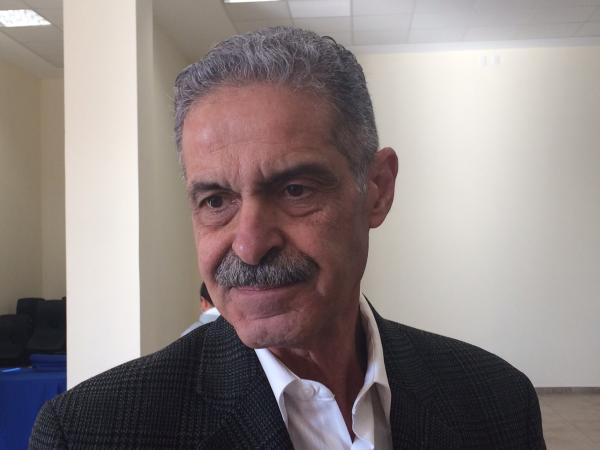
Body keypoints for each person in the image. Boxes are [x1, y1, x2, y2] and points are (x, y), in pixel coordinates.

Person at [30, 27, 545, 449]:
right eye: (216, 201)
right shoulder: (88, 433)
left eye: (295, 190)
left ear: (377, 190)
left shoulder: (497, 400)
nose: (249, 245)